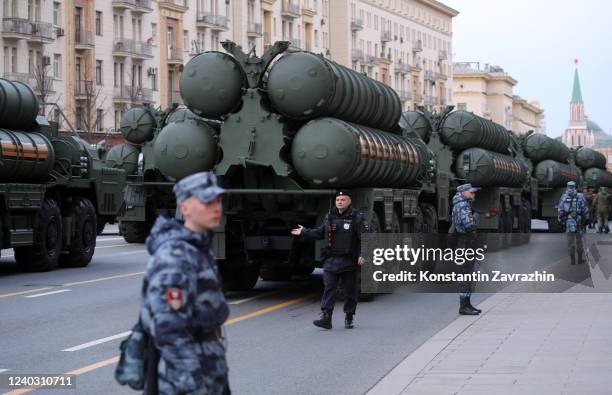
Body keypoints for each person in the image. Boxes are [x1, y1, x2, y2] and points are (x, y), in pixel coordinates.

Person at [140, 171, 230, 395]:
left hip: (208, 366)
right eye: (207, 201)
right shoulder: (176, 257)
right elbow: (170, 331)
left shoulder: (197, 248)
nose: (216, 206)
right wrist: (193, 386)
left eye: (218, 200)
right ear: (185, 208)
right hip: (188, 379)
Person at [291, 190, 368, 330]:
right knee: (329, 288)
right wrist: (304, 231)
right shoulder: (329, 217)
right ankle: (326, 317)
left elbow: (365, 238)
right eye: (338, 199)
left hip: (349, 261)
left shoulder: (357, 217)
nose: (340, 202)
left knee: (350, 291)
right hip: (331, 260)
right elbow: (320, 233)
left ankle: (349, 315)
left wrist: (363, 254)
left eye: (343, 199)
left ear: (349, 201)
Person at [451, 183, 481, 315]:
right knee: (465, 274)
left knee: (468, 274)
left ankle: (467, 304)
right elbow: (469, 225)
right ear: (463, 193)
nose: (473, 194)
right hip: (465, 242)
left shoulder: (462, 204)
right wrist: (476, 217)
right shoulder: (463, 206)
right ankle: (464, 306)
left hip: (465, 242)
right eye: (471, 192)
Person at [557, 181, 588, 265]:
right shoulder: (580, 196)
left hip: (569, 222)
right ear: (575, 187)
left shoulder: (563, 197)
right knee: (579, 241)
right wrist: (585, 220)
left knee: (570, 242)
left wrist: (560, 220)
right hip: (578, 221)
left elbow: (560, 210)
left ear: (567, 186)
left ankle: (572, 260)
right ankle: (580, 259)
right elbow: (585, 209)